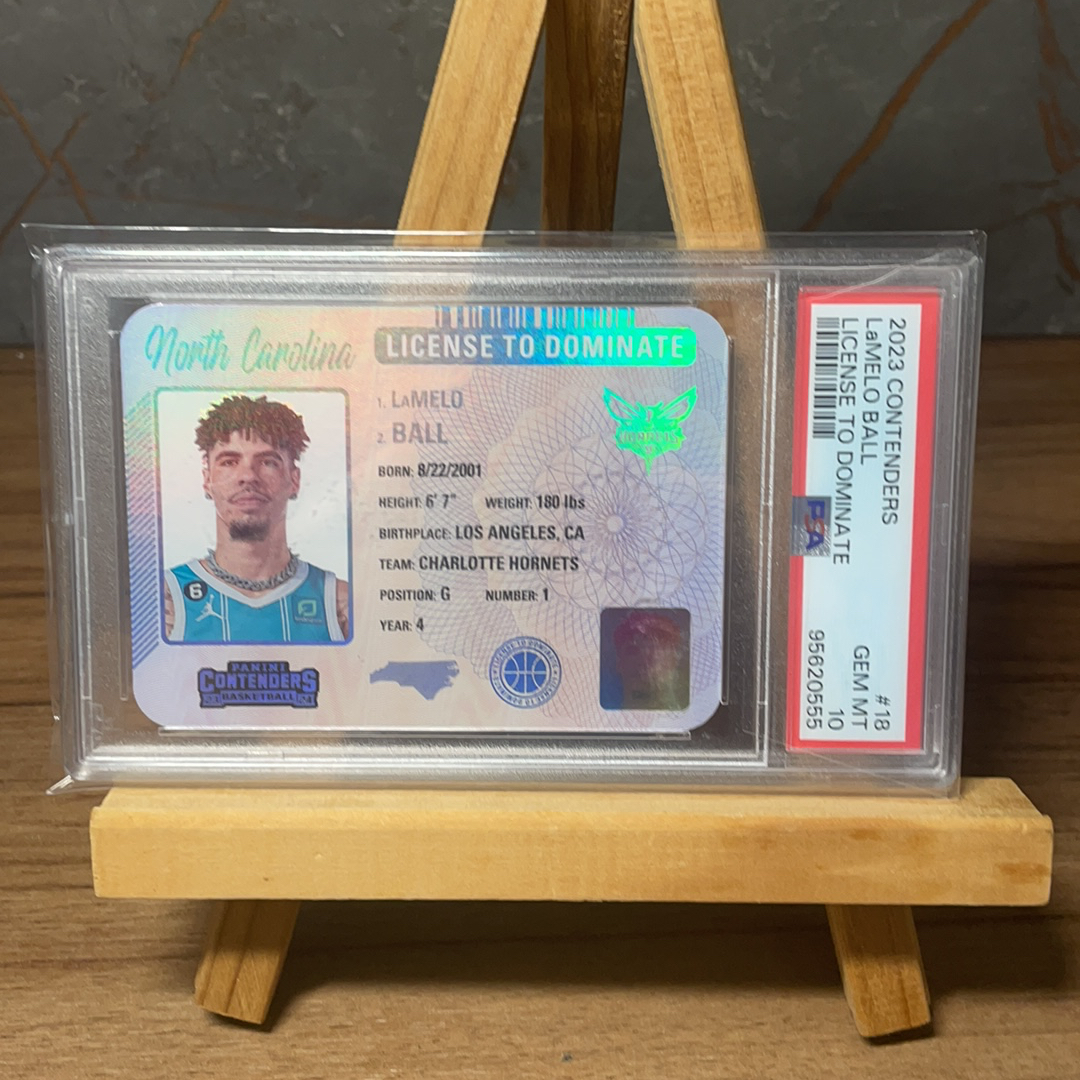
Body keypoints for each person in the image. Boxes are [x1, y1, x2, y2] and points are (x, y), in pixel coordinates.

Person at [163, 394, 349, 643]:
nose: (248, 476)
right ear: (207, 480)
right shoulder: (167, 601)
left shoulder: (339, 605)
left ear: (294, 480)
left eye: (268, 462)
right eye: (229, 462)